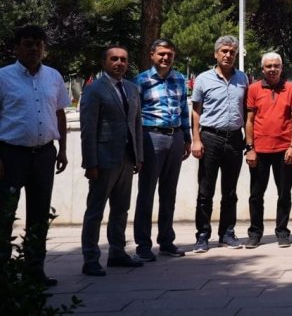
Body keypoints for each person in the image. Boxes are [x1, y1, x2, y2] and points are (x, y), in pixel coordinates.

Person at [0, 25, 70, 286]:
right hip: (10, 155)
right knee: (4, 214)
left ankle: (34, 270)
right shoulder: (3, 77)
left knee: (39, 214)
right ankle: (4, 274)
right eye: (28, 44)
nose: (34, 49)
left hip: (44, 154)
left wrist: (62, 149)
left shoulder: (53, 76)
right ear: (17, 47)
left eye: (38, 44)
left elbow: (60, 113)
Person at [80, 46, 143, 276]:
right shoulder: (94, 89)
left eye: (123, 59)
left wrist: (139, 156)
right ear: (104, 62)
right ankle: (90, 258)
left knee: (121, 209)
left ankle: (117, 252)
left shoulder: (132, 88)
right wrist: (90, 163)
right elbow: (88, 129)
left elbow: (136, 124)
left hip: (127, 158)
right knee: (95, 211)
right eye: (114, 59)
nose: (119, 63)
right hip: (103, 160)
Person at [133, 39, 191, 262]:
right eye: (161, 54)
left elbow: (183, 109)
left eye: (169, 54)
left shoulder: (179, 79)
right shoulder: (141, 81)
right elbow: (134, 115)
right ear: (152, 55)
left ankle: (166, 241)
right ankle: (143, 244)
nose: (166, 58)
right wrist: (137, 146)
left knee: (169, 193)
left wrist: (187, 138)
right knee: (146, 193)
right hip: (151, 137)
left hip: (175, 137)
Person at [190, 35, 248, 252]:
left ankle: (227, 233)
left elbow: (246, 111)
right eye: (224, 51)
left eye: (232, 52)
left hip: (234, 138)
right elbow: (196, 111)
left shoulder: (242, 78)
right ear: (216, 54)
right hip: (210, 137)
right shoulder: (203, 79)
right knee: (206, 190)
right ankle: (202, 235)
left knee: (230, 191)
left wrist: (248, 140)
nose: (228, 55)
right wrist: (196, 139)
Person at [245, 52, 292, 248]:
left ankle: (282, 232)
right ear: (262, 69)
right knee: (256, 195)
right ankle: (255, 233)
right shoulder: (253, 89)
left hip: (283, 150)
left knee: (284, 194)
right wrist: (250, 148)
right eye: (269, 66)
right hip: (259, 151)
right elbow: (249, 120)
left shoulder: (291, 88)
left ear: (281, 68)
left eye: (276, 65)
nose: (273, 69)